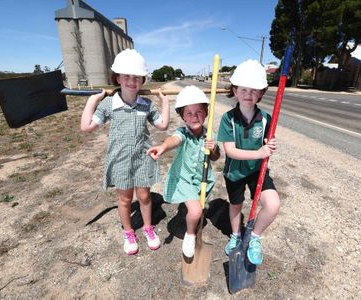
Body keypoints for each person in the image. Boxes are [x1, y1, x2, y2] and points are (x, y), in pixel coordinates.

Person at [80, 49, 170, 255]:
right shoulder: (109, 104)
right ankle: (128, 231)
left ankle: (148, 228)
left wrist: (164, 103)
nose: (132, 81)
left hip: (142, 159)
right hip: (120, 160)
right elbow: (86, 127)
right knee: (125, 200)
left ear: (142, 80)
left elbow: (163, 125)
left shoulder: (146, 104)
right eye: (126, 76)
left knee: (145, 197)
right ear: (117, 78)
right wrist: (92, 101)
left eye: (137, 77)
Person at [217, 59, 280, 265]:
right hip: (235, 172)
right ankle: (236, 234)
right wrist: (260, 152)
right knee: (236, 205)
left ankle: (253, 237)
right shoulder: (228, 119)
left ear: (261, 93)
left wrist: (269, 146)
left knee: (272, 205)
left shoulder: (266, 119)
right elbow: (230, 151)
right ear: (234, 90)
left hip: (257, 171)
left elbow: (266, 143)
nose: (248, 94)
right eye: (243, 89)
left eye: (254, 90)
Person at [147, 86, 220, 258]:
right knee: (195, 212)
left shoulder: (210, 134)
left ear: (206, 113)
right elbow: (174, 140)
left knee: (199, 208)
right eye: (189, 113)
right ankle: (190, 234)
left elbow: (215, 158)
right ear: (182, 116)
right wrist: (163, 147)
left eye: (199, 112)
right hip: (184, 179)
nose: (194, 117)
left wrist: (214, 148)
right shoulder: (182, 132)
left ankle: (190, 214)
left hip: (202, 179)